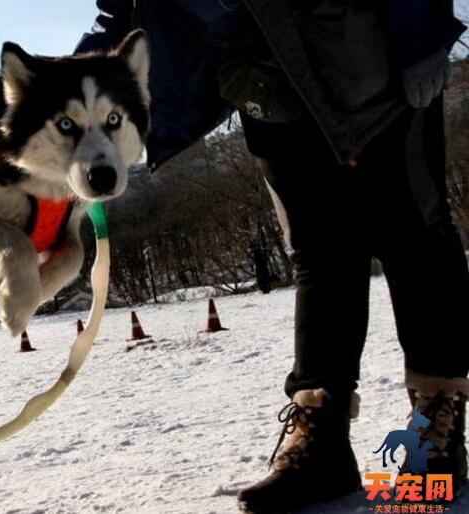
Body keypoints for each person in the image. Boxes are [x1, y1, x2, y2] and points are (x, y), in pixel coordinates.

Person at [77, 1, 469, 512]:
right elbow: (125, 11)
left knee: (413, 236)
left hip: (370, 58)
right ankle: (320, 438)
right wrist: (65, 86)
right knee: (319, 250)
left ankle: (436, 428)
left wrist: (420, 29)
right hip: (264, 80)